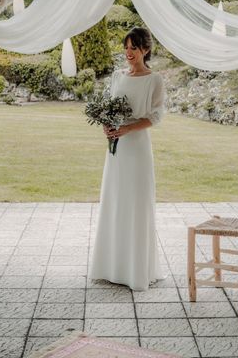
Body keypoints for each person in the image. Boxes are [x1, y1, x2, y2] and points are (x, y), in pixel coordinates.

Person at [89, 27, 167, 291]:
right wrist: (107, 126)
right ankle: (111, 267)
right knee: (115, 200)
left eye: (134, 48)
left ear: (145, 49)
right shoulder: (117, 76)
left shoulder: (154, 79)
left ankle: (136, 271)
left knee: (135, 203)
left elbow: (156, 116)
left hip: (137, 148)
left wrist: (128, 128)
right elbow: (108, 105)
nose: (128, 52)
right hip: (117, 148)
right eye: (126, 47)